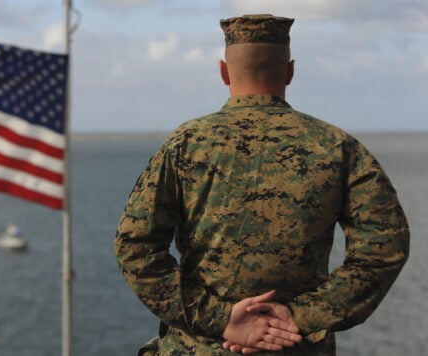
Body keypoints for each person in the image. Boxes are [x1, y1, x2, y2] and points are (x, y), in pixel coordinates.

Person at [114, 14, 410, 355]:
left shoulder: (185, 144)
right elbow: (384, 245)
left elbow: (135, 246)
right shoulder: (338, 147)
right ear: (290, 71)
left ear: (224, 72)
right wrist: (299, 317)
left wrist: (221, 319)